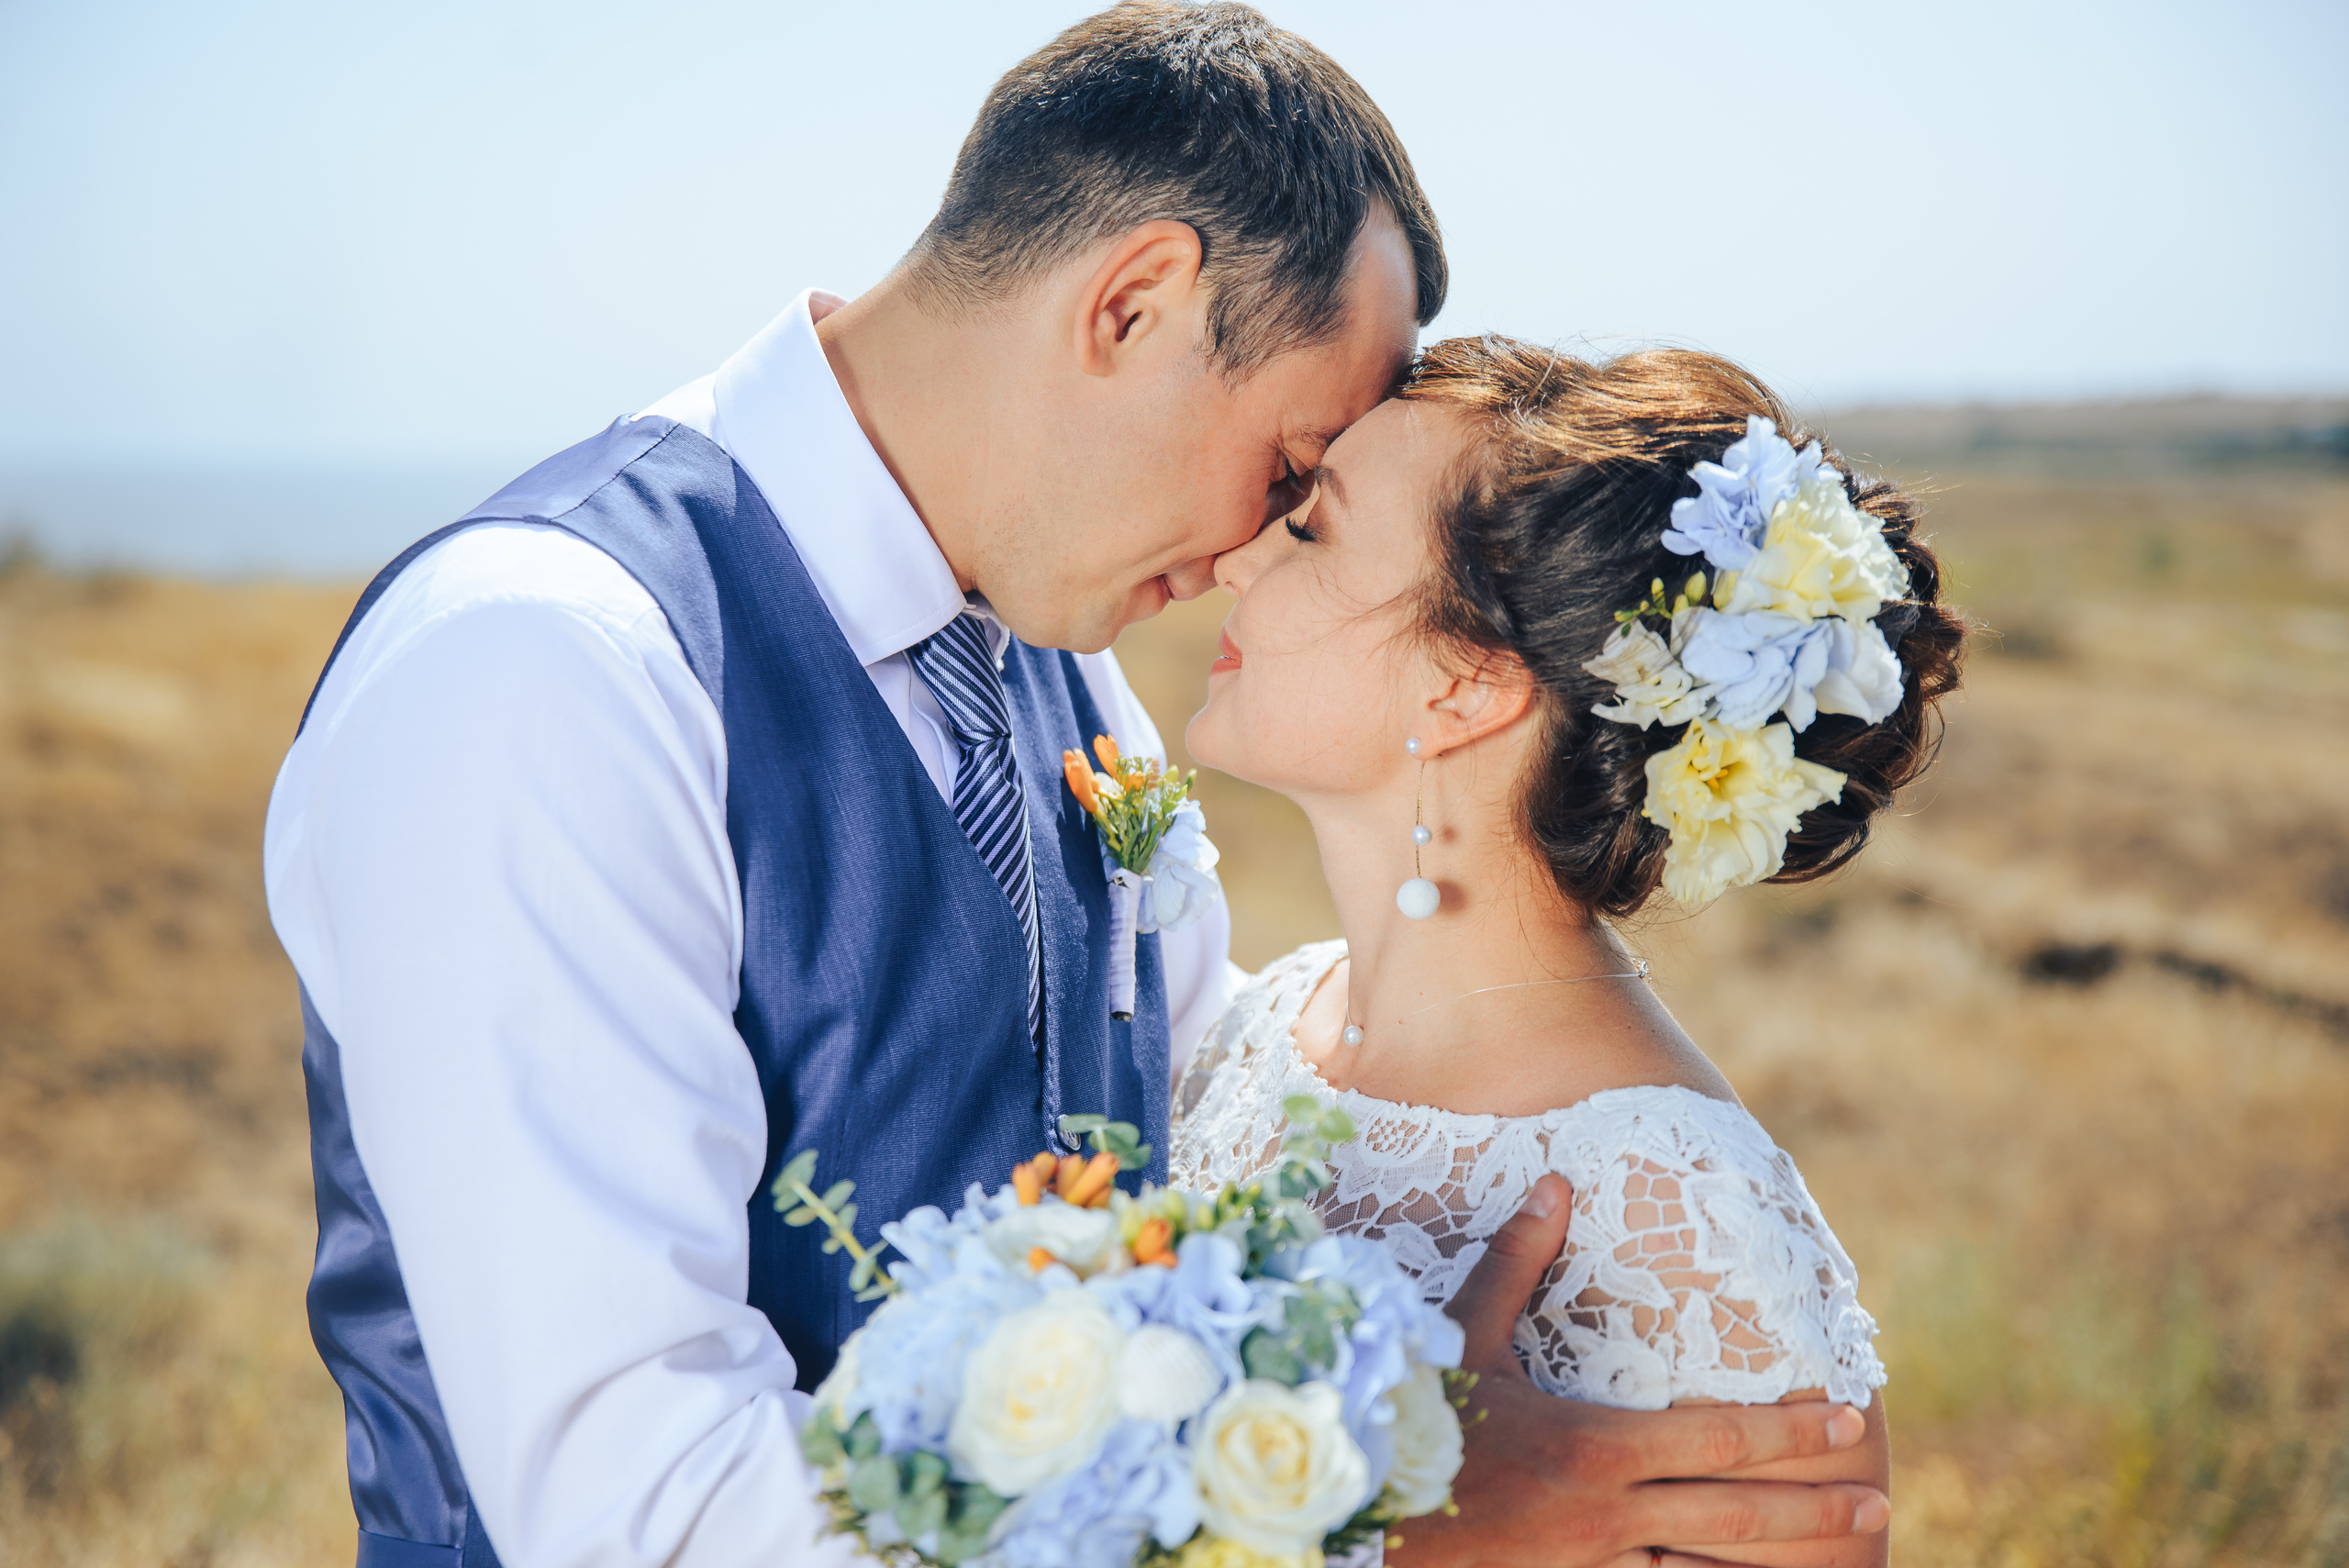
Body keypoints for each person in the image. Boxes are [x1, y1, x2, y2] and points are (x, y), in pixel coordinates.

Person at [265, 5, 1889, 1564]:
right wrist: (1358, 1519)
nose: (1257, 539)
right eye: (1288, 459)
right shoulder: (548, 667)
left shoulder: (1058, 647)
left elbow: (1163, 1120)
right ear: (1135, 306)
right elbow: (642, 1508)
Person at [1171, 336, 1969, 1566]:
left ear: (1468, 687)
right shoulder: (1262, 1025)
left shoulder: (1679, 1218)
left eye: (1312, 532)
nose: (1237, 556)